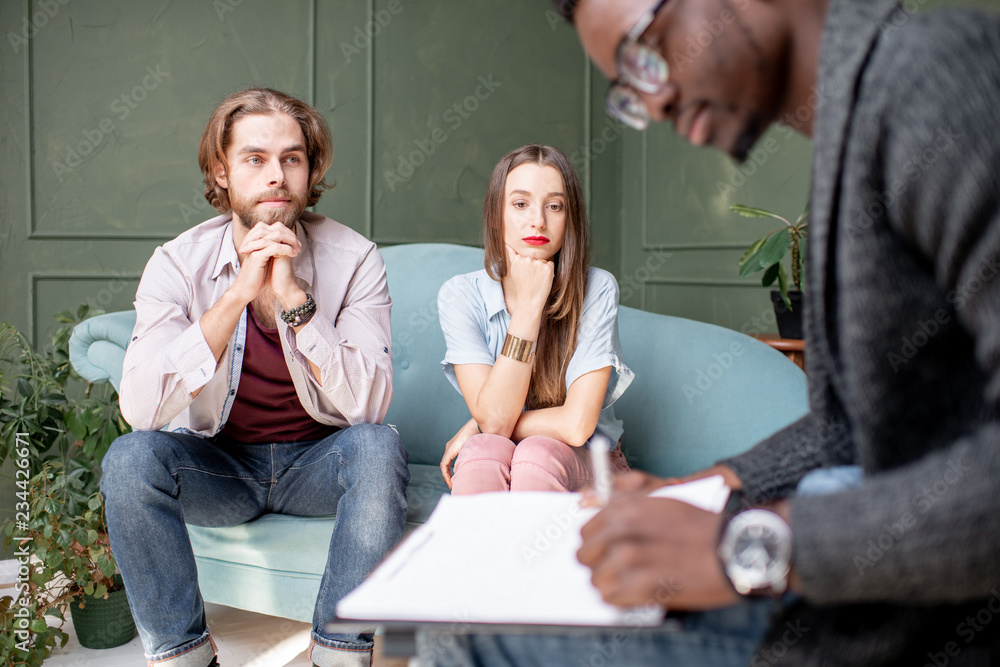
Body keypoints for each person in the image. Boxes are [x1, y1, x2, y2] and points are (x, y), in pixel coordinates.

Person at [416, 0, 1000, 664]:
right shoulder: (852, 131)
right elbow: (850, 427)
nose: (656, 101)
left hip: (916, 624)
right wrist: (707, 490)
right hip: (867, 596)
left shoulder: (939, 80)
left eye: (647, 51)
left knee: (466, 631)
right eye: (630, 89)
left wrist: (750, 543)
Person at [101, 88, 409, 667]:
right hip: (218, 465)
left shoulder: (355, 259)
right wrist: (238, 295)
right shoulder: (176, 263)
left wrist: (294, 299)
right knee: (129, 459)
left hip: (316, 462)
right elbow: (141, 410)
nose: (277, 176)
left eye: (292, 159)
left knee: (377, 446)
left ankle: (339, 652)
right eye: (255, 159)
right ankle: (184, 656)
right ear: (221, 171)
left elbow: (369, 405)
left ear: (310, 170)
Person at [437, 144, 632, 494]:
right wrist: (528, 308)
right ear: (497, 214)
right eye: (520, 204)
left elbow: (575, 427)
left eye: (554, 206)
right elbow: (494, 425)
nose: (538, 220)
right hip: (511, 450)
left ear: (568, 217)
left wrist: (482, 424)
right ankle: (478, 551)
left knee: (535, 453)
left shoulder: (597, 288)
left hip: (591, 462)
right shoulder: (460, 294)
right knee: (482, 451)